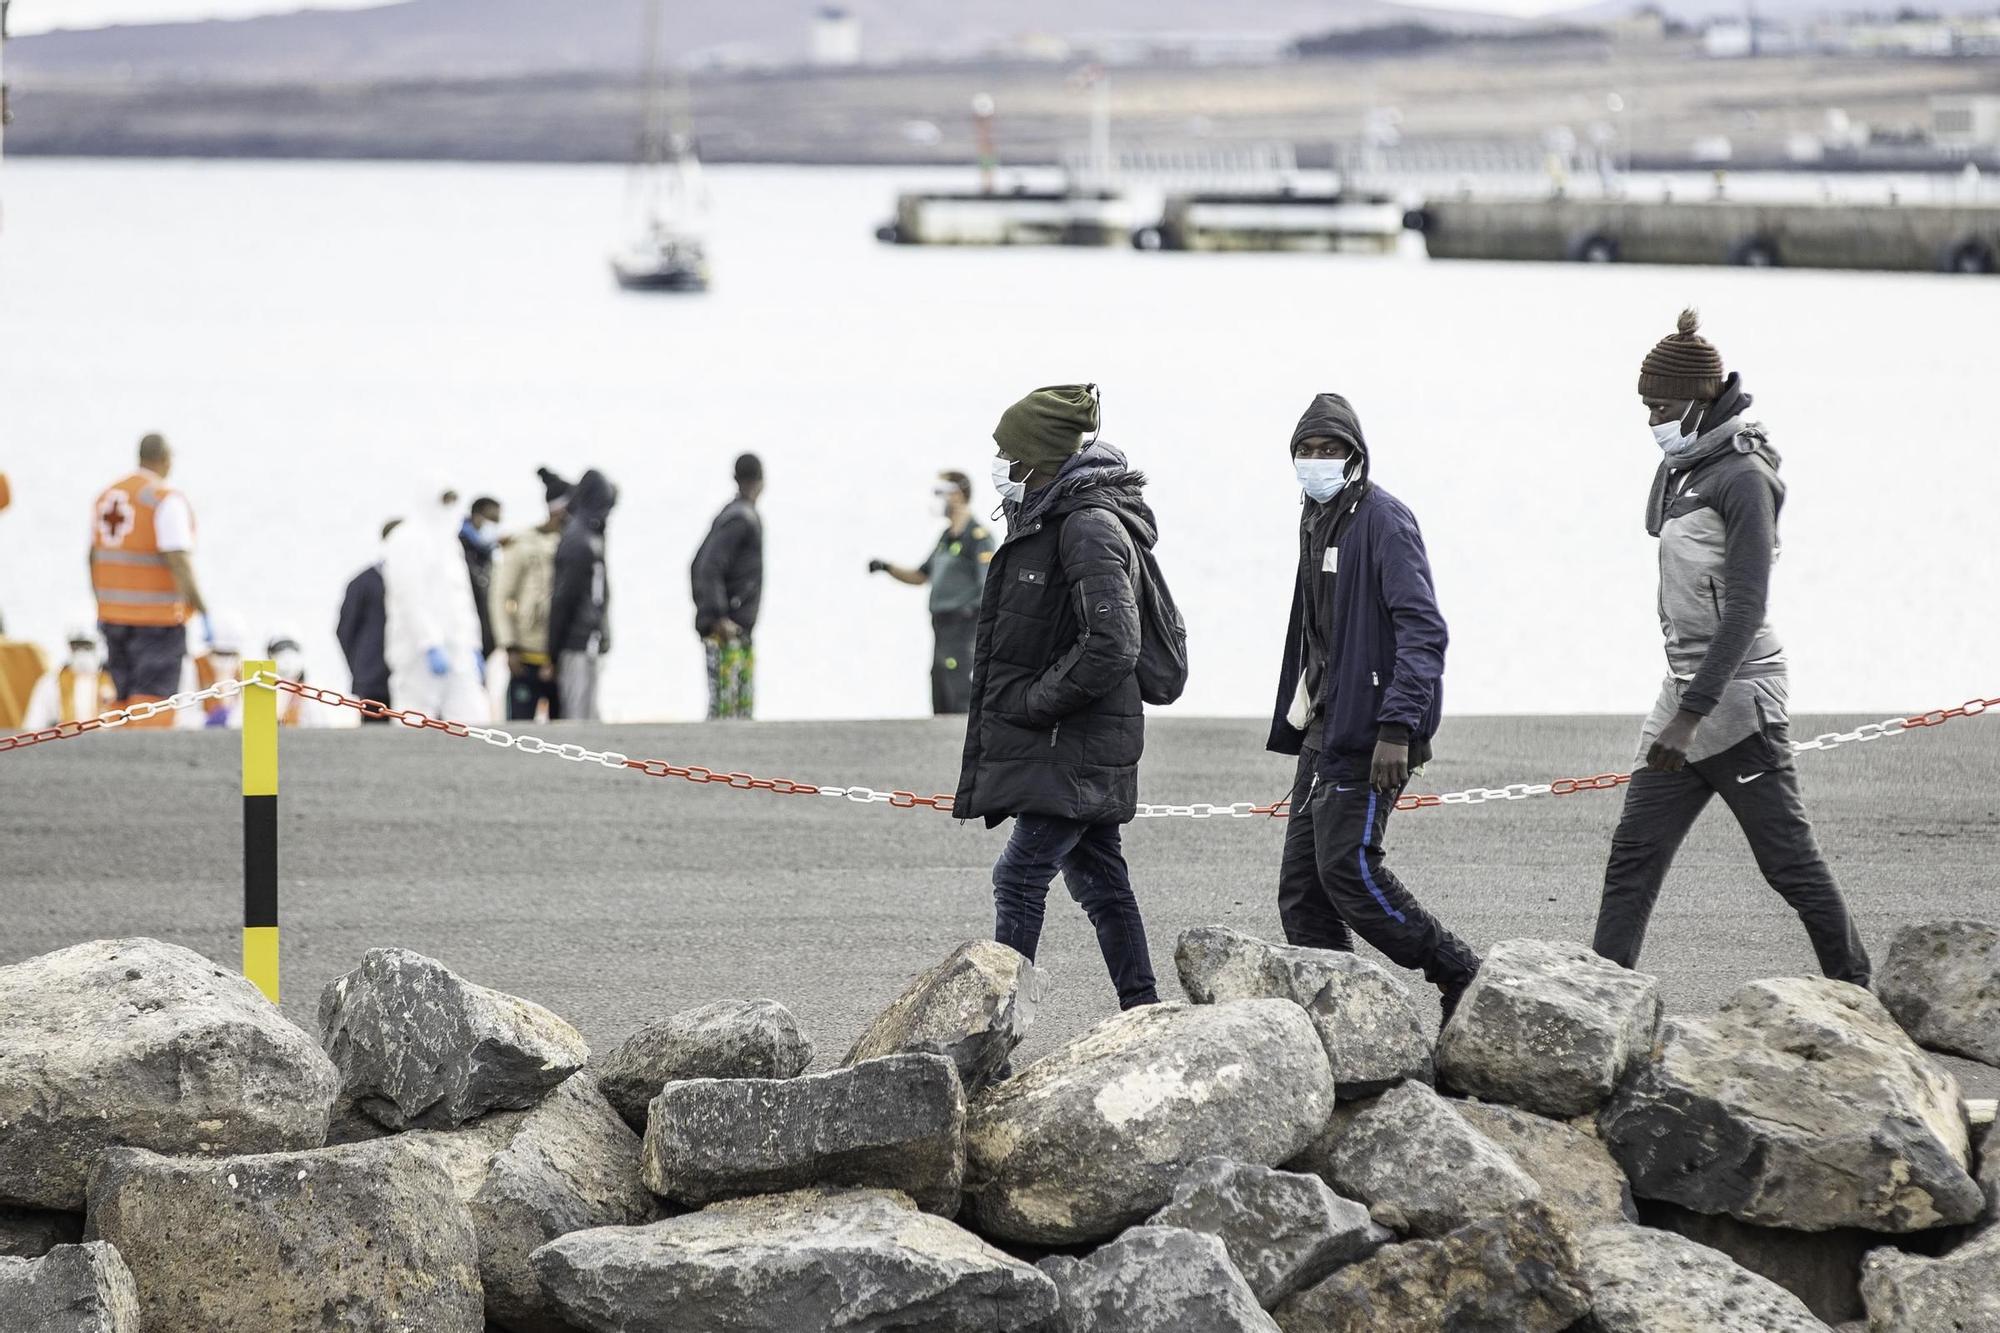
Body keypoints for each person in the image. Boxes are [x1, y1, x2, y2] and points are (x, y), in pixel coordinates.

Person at [1593, 312, 1871, 985]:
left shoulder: (1743, 475)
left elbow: (1745, 609)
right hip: (1684, 685)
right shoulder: (1690, 464)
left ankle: (1857, 989)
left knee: (1787, 861)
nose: (1651, 417)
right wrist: (1681, 706)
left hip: (1736, 692)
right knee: (1635, 852)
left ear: (1702, 399)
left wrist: (1691, 716)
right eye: (1645, 405)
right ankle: (1598, 996)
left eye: (1661, 405)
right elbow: (1657, 523)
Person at [1266, 393, 1482, 1019]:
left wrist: (1398, 727)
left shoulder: (1384, 521)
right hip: (1323, 730)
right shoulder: (1316, 516)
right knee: (1303, 895)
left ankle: (1459, 973)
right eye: (1305, 452)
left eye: (1329, 450)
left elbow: (1423, 630)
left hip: (1372, 733)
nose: (1316, 461)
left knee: (1352, 875)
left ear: (1355, 457)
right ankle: (1344, 1018)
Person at [954, 384, 1160, 1012]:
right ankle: (1147, 1013)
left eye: (1005, 453)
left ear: (1036, 457)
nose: (998, 465)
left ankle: (996, 1034)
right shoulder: (1050, 514)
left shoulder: (1087, 526)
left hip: (1072, 743)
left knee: (1017, 879)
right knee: (1101, 881)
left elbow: (1114, 645)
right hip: (1072, 744)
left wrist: (1036, 702)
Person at [89, 433, 210, 728]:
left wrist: (101, 602)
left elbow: (93, 556)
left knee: (121, 692)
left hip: (113, 615)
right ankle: (145, 764)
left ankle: (117, 760)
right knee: (153, 698)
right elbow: (177, 557)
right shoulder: (163, 499)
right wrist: (202, 606)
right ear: (166, 460)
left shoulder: (108, 497)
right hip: (157, 620)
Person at [870, 471, 995, 715]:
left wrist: (971, 617)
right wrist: (886, 567)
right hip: (941, 626)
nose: (937, 500)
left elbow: (989, 585)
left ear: (958, 495)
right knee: (940, 689)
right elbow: (921, 575)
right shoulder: (946, 538)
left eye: (941, 493)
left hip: (963, 627)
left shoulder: (978, 537)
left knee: (959, 687)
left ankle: (963, 745)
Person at [382, 486, 489, 722]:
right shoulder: (406, 539)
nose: (448, 508)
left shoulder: (450, 543)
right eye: (444, 501)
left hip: (458, 648)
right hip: (418, 651)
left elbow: (462, 599)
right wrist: (428, 643)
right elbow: (409, 597)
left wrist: (473, 644)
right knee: (414, 718)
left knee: (472, 718)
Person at [690, 453, 765, 720]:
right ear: (762, 480)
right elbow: (707, 566)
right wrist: (719, 616)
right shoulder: (741, 518)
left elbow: (700, 564)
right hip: (728, 631)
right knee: (726, 712)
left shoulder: (734, 514)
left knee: (739, 713)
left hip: (738, 631)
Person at [493, 469, 569, 722]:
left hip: (560, 659)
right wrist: (509, 646)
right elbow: (501, 597)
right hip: (525, 657)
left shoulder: (573, 545)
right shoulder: (523, 544)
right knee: (520, 732)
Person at [548, 469, 617, 722]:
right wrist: (553, 649)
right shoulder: (580, 540)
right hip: (577, 642)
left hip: (589, 639)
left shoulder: (589, 534)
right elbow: (564, 598)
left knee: (588, 715)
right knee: (578, 717)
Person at [336, 519, 399, 718]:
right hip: (374, 680)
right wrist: (361, 668)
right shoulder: (363, 582)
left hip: (411, 679)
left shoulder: (418, 582)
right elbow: (345, 630)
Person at [24, 627, 114, 729]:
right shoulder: (51, 682)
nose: (81, 652)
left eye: (87, 646)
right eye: (76, 647)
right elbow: (35, 722)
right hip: (66, 740)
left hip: (105, 740)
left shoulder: (112, 681)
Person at [460, 496, 503, 662]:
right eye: (493, 519)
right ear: (478, 517)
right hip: (465, 641)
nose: (496, 525)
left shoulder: (488, 554)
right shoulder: (458, 550)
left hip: (486, 641)